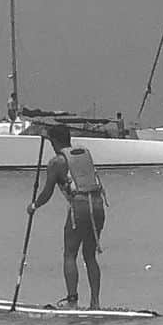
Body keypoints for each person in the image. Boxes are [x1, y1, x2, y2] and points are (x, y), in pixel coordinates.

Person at [27, 124, 107, 309]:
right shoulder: (84, 153)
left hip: (79, 207)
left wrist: (34, 206)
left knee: (70, 254)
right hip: (97, 205)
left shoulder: (56, 162)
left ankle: (73, 303)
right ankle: (95, 303)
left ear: (54, 142)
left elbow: (47, 193)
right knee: (90, 256)